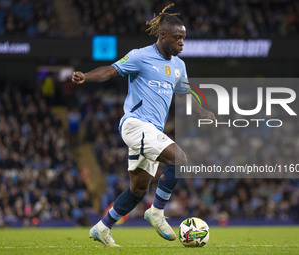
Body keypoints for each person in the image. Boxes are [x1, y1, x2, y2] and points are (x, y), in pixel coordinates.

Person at [72, 3, 214, 247]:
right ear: (162, 36)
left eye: (184, 38)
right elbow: (111, 70)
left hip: (152, 131)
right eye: (177, 38)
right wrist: (86, 76)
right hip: (135, 125)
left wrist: (201, 109)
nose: (182, 42)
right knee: (179, 159)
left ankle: (101, 227)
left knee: (138, 189)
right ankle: (157, 212)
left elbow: (184, 91)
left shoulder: (179, 66)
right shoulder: (140, 55)